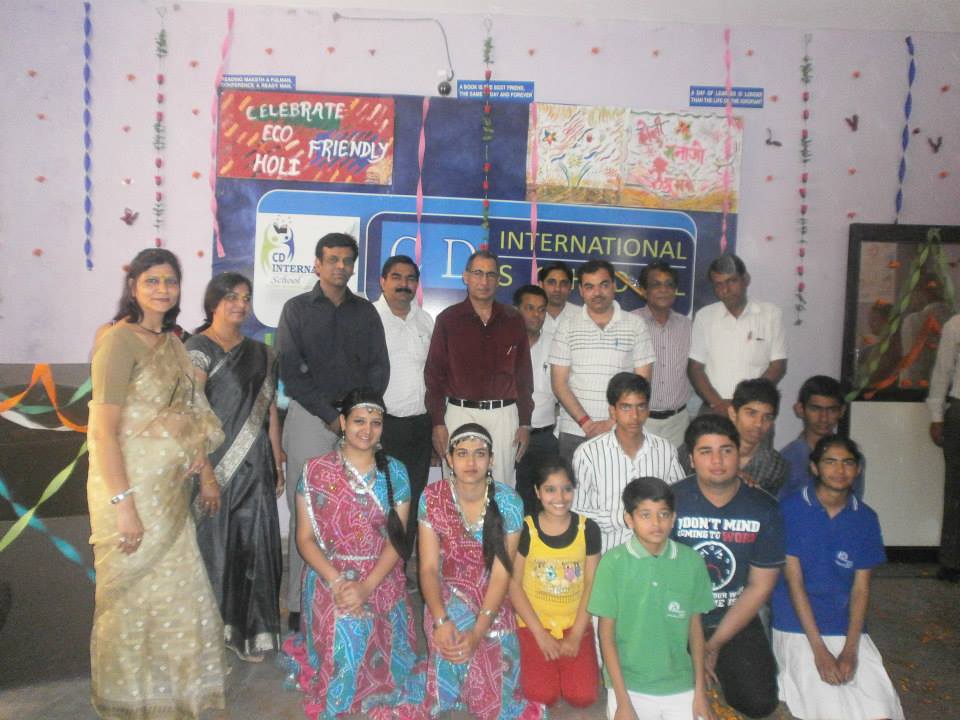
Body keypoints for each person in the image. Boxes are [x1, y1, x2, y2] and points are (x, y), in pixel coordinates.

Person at [87, 248, 226, 718]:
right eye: (152, 281)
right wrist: (123, 504)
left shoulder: (174, 345)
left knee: (176, 592)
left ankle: (173, 695)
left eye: (170, 281)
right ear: (134, 287)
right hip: (128, 489)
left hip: (169, 493)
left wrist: (202, 465)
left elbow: (192, 414)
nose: (162, 289)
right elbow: (102, 431)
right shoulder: (116, 340)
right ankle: (131, 700)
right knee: (129, 599)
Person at [279, 389, 417, 719]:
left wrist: (366, 587)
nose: (367, 430)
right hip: (329, 574)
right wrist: (338, 581)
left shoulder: (395, 472)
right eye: (358, 421)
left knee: (361, 626)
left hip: (379, 574)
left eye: (375, 423)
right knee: (347, 628)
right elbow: (304, 539)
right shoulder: (315, 471)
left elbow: (397, 542)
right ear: (342, 422)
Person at [276, 232, 389, 631]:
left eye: (347, 260)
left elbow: (379, 367)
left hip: (357, 424)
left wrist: (358, 415)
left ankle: (354, 596)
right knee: (305, 511)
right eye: (333, 259)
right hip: (310, 418)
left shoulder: (366, 312)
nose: (340, 266)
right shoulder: (296, 309)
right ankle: (298, 604)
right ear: (317, 264)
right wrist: (329, 415)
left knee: (356, 512)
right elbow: (291, 371)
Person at [415, 423, 545, 720]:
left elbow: (501, 575)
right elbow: (428, 568)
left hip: (493, 595)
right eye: (462, 454)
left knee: (493, 669)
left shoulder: (509, 501)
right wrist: (440, 619)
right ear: (449, 459)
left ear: (491, 460)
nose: (471, 462)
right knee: (449, 641)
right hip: (446, 592)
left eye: (479, 454)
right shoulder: (432, 497)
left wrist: (477, 632)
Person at [186, 272, 284, 662]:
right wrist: (206, 473)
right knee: (215, 548)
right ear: (214, 302)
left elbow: (269, 411)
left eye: (246, 297)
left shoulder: (262, 353)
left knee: (254, 548)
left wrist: (276, 460)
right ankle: (210, 634)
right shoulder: (197, 348)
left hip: (256, 465)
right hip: (211, 466)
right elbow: (191, 412)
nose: (240, 304)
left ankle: (250, 634)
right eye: (231, 297)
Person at [771, 435, 905, 720]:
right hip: (797, 626)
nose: (839, 470)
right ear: (814, 467)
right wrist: (819, 651)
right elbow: (795, 583)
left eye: (848, 463)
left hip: (847, 627)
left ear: (858, 469)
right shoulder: (790, 510)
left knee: (880, 710)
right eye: (830, 462)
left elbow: (861, 589)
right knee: (831, 708)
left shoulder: (865, 518)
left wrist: (851, 650)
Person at [672, 414, 785, 719]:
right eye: (705, 451)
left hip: (734, 619)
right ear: (691, 459)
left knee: (759, 703)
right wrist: (694, 642)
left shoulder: (764, 508)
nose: (717, 461)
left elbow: (760, 586)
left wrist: (715, 644)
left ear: (739, 455)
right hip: (678, 617)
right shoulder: (671, 502)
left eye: (726, 450)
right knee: (665, 697)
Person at [588, 477, 715, 720]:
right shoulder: (613, 563)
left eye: (663, 514)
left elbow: (695, 629)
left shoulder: (691, 562)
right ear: (629, 519)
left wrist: (700, 691)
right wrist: (623, 702)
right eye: (645, 515)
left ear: (673, 518)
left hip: (679, 683)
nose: (656, 523)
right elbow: (606, 635)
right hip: (629, 684)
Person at [425, 250, 533, 488]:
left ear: (498, 279)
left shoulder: (513, 319)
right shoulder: (448, 319)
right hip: (459, 413)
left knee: (501, 487)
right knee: (457, 486)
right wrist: (438, 422)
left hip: (504, 415)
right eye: (478, 273)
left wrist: (525, 422)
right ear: (465, 277)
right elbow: (434, 376)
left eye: (490, 274)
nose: (484, 281)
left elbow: (524, 376)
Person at [508, 457, 600, 708]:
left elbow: (591, 583)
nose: (560, 497)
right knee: (541, 697)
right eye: (550, 489)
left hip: (574, 624)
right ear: (538, 492)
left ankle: (566, 670)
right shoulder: (526, 530)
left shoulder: (588, 529)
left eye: (566, 488)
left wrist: (577, 634)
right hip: (534, 625)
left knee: (583, 697)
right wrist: (539, 634)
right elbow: (513, 585)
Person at [551, 259, 655, 461]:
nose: (597, 293)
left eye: (604, 285)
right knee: (573, 483)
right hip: (575, 431)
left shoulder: (636, 325)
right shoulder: (567, 326)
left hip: (622, 430)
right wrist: (586, 423)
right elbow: (559, 384)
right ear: (581, 291)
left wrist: (611, 423)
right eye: (589, 287)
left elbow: (642, 383)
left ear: (614, 286)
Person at [573, 372, 685, 554]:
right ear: (613, 411)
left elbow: (679, 502)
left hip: (655, 555)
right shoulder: (588, 454)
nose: (634, 416)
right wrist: (623, 518)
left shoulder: (665, 450)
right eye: (626, 408)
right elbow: (577, 513)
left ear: (648, 409)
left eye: (641, 407)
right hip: (606, 554)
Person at [374, 255, 435, 549]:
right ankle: (375, 566)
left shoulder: (425, 320)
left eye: (410, 278)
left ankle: (400, 561)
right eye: (396, 277)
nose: (404, 284)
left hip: (419, 426)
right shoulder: (369, 319)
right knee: (379, 499)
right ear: (382, 281)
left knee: (411, 496)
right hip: (380, 426)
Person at [688, 253, 787, 417]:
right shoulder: (704, 316)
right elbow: (695, 369)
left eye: (732, 281)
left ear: (746, 279)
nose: (725, 290)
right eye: (718, 284)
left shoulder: (771, 314)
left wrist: (744, 405)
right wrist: (719, 404)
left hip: (756, 412)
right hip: (714, 409)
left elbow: (778, 366)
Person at [680, 378, 789, 496]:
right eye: (751, 413)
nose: (759, 423)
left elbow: (767, 504)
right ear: (733, 413)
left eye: (767, 417)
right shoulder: (698, 447)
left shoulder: (774, 466)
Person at [633, 261, 693, 449]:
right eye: (655, 284)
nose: (663, 290)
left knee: (676, 469)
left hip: (678, 424)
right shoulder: (630, 323)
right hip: (640, 421)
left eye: (669, 284)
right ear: (644, 291)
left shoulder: (687, 326)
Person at [512, 284, 559, 516]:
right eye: (529, 308)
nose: (536, 315)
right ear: (517, 310)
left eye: (541, 310)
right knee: (509, 496)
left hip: (544, 438)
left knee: (544, 502)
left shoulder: (556, 343)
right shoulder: (504, 342)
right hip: (510, 435)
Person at [780, 376, 865, 500]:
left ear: (842, 411)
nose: (823, 418)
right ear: (800, 409)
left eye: (831, 410)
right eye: (815, 409)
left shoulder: (852, 458)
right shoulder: (787, 458)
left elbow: (854, 505)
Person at [927, 313, 960, 582]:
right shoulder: (956, 325)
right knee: (956, 490)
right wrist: (936, 415)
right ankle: (952, 561)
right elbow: (942, 371)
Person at [538, 261, 579, 336]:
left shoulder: (581, 315)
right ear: (541, 285)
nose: (557, 289)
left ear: (570, 287)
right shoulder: (530, 316)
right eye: (551, 283)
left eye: (563, 283)